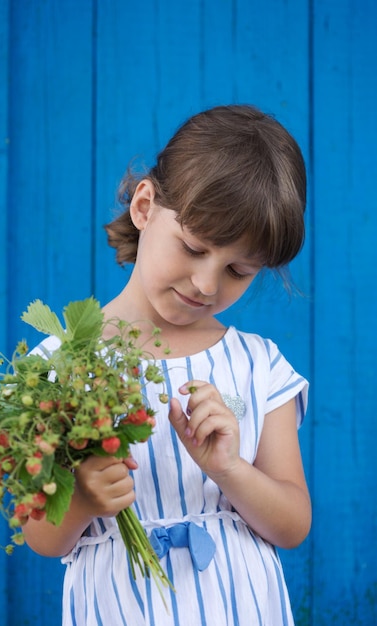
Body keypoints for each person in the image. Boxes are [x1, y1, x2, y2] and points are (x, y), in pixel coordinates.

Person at [23, 104, 311, 626]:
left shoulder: (258, 364)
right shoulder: (61, 362)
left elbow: (292, 525)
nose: (206, 284)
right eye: (193, 247)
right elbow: (40, 537)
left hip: (240, 606)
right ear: (144, 206)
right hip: (116, 607)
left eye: (239, 270)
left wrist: (229, 469)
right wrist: (84, 498)